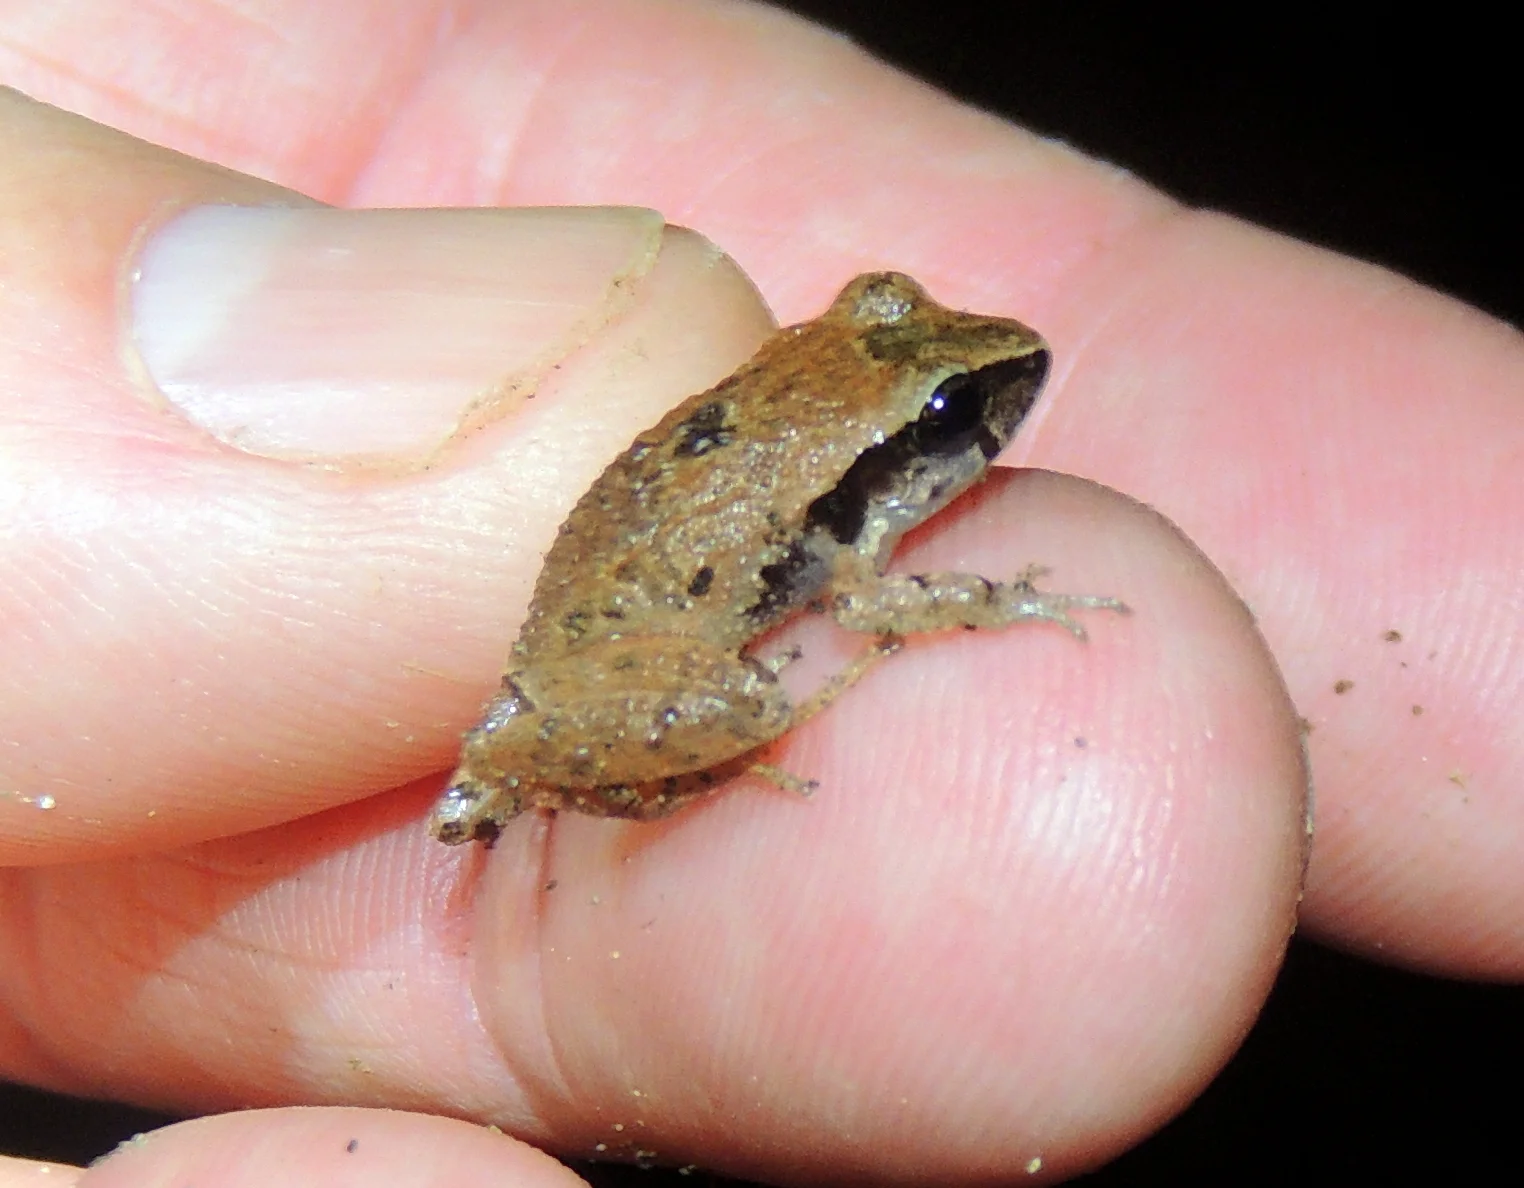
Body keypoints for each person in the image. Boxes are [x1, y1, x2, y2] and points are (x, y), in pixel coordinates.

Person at [0, 3, 1519, 1184]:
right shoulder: (850, 526)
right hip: (602, 662)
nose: (978, 410)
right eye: (943, 425)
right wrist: (980, 603)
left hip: (581, 612)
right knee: (750, 702)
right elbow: (867, 599)